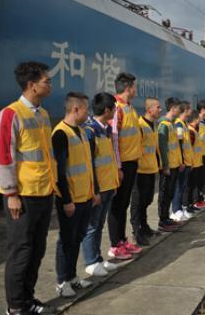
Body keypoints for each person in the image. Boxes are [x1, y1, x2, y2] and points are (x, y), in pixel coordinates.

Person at [0, 62, 57, 315]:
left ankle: (28, 299)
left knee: (37, 250)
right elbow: (2, 157)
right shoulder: (11, 114)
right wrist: (11, 194)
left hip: (43, 192)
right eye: (46, 81)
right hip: (24, 196)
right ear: (31, 85)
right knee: (21, 251)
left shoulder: (42, 114)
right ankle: (16, 307)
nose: (49, 85)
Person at [53, 92, 98, 297]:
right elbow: (59, 172)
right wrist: (66, 201)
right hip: (72, 200)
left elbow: (88, 166)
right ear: (76, 109)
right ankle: (62, 281)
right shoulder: (61, 134)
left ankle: (72, 277)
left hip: (85, 197)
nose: (88, 113)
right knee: (66, 240)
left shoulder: (81, 132)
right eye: (86, 109)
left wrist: (94, 191)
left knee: (77, 238)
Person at [81, 93, 120, 277]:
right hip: (98, 189)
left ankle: (97, 258)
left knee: (99, 224)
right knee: (92, 225)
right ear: (107, 110)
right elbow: (89, 163)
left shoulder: (104, 129)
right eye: (114, 108)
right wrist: (94, 190)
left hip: (107, 186)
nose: (115, 111)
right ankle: (90, 261)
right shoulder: (90, 131)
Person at [108, 72, 143, 259]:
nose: (136, 90)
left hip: (131, 162)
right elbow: (114, 139)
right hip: (122, 165)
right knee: (117, 204)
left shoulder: (129, 107)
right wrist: (118, 167)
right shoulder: (116, 108)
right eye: (134, 87)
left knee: (124, 204)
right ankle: (115, 244)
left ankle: (122, 240)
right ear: (128, 88)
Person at [130, 97, 162, 245]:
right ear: (149, 110)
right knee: (138, 202)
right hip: (141, 170)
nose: (160, 110)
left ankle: (144, 225)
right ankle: (137, 231)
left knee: (147, 199)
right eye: (158, 107)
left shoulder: (153, 125)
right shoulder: (140, 125)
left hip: (151, 168)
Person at [157, 97, 183, 231]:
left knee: (170, 193)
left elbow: (175, 146)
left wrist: (179, 162)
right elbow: (162, 147)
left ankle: (166, 218)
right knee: (164, 194)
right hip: (168, 167)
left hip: (174, 165)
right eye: (179, 108)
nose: (180, 111)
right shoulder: (163, 125)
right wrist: (165, 165)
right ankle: (162, 220)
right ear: (173, 109)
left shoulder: (171, 124)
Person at [172, 101, 194, 222]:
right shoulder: (179, 125)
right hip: (183, 162)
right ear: (185, 110)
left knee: (182, 186)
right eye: (190, 109)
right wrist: (181, 161)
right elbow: (179, 144)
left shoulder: (184, 124)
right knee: (179, 187)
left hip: (187, 160)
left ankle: (180, 208)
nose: (191, 111)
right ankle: (176, 210)